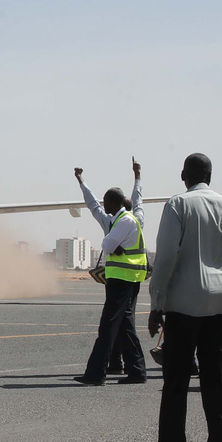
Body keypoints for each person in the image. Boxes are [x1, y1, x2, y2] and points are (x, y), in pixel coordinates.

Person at [143, 153, 222, 442]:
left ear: (184, 175)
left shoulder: (178, 205)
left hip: (185, 303)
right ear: (209, 175)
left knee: (176, 378)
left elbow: (167, 256)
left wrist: (157, 302)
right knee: (218, 379)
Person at [73, 159, 148, 386]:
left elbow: (106, 242)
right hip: (127, 279)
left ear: (114, 203)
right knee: (124, 325)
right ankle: (136, 370)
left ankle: (97, 373)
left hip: (122, 280)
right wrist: (137, 176)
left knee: (108, 326)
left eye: (107, 201)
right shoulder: (133, 218)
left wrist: (81, 181)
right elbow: (138, 200)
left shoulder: (121, 222)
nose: (103, 205)